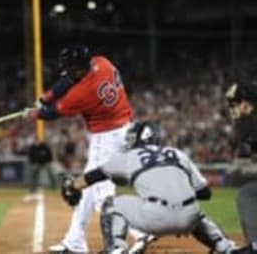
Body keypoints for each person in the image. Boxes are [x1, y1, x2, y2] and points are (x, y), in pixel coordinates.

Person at [24, 46, 146, 253]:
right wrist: (46, 97)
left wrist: (36, 114)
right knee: (86, 188)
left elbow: (55, 112)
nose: (68, 72)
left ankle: (140, 232)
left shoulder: (83, 93)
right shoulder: (102, 62)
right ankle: (75, 242)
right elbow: (67, 81)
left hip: (106, 137)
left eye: (71, 68)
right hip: (123, 128)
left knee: (102, 197)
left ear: (79, 67)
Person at [61, 121, 237, 254]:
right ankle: (225, 246)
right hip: (188, 219)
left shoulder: (129, 156)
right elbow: (205, 193)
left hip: (155, 217)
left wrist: (73, 186)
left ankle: (116, 248)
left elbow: (92, 177)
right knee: (196, 213)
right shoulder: (177, 153)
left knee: (111, 204)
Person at [225, 82, 257, 254]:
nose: (234, 108)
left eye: (236, 103)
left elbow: (236, 141)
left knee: (247, 194)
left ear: (247, 103)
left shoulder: (249, 122)